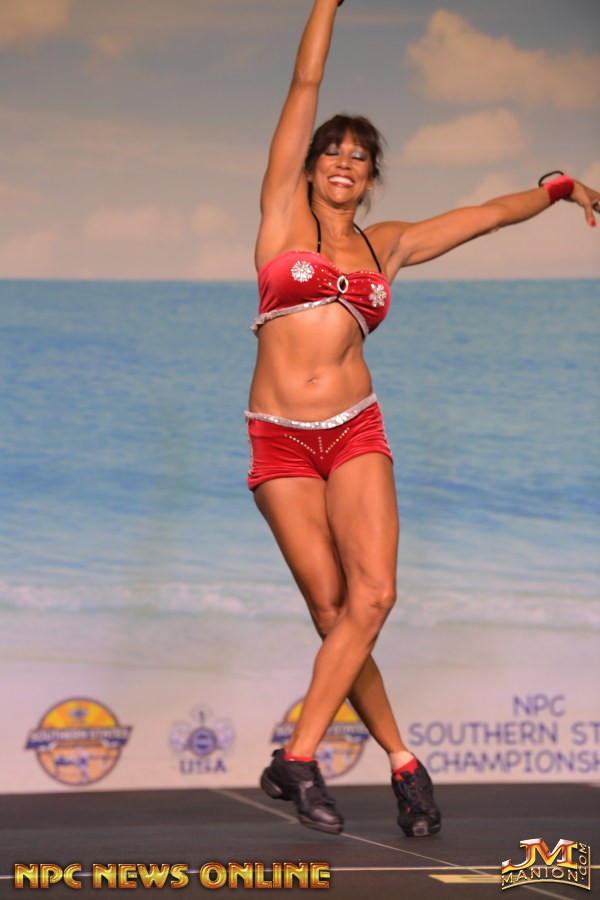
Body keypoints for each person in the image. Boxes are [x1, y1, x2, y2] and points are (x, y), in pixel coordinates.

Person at [246, 0, 599, 837]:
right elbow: (305, 82)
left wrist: (554, 189)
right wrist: (328, 3)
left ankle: (298, 758)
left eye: (359, 156)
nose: (344, 161)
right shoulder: (281, 218)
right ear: (308, 167)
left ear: (371, 178)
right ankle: (404, 761)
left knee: (374, 596)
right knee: (332, 612)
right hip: (279, 439)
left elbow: (481, 219)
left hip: (355, 428)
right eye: (332, 151)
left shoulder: (388, 245)